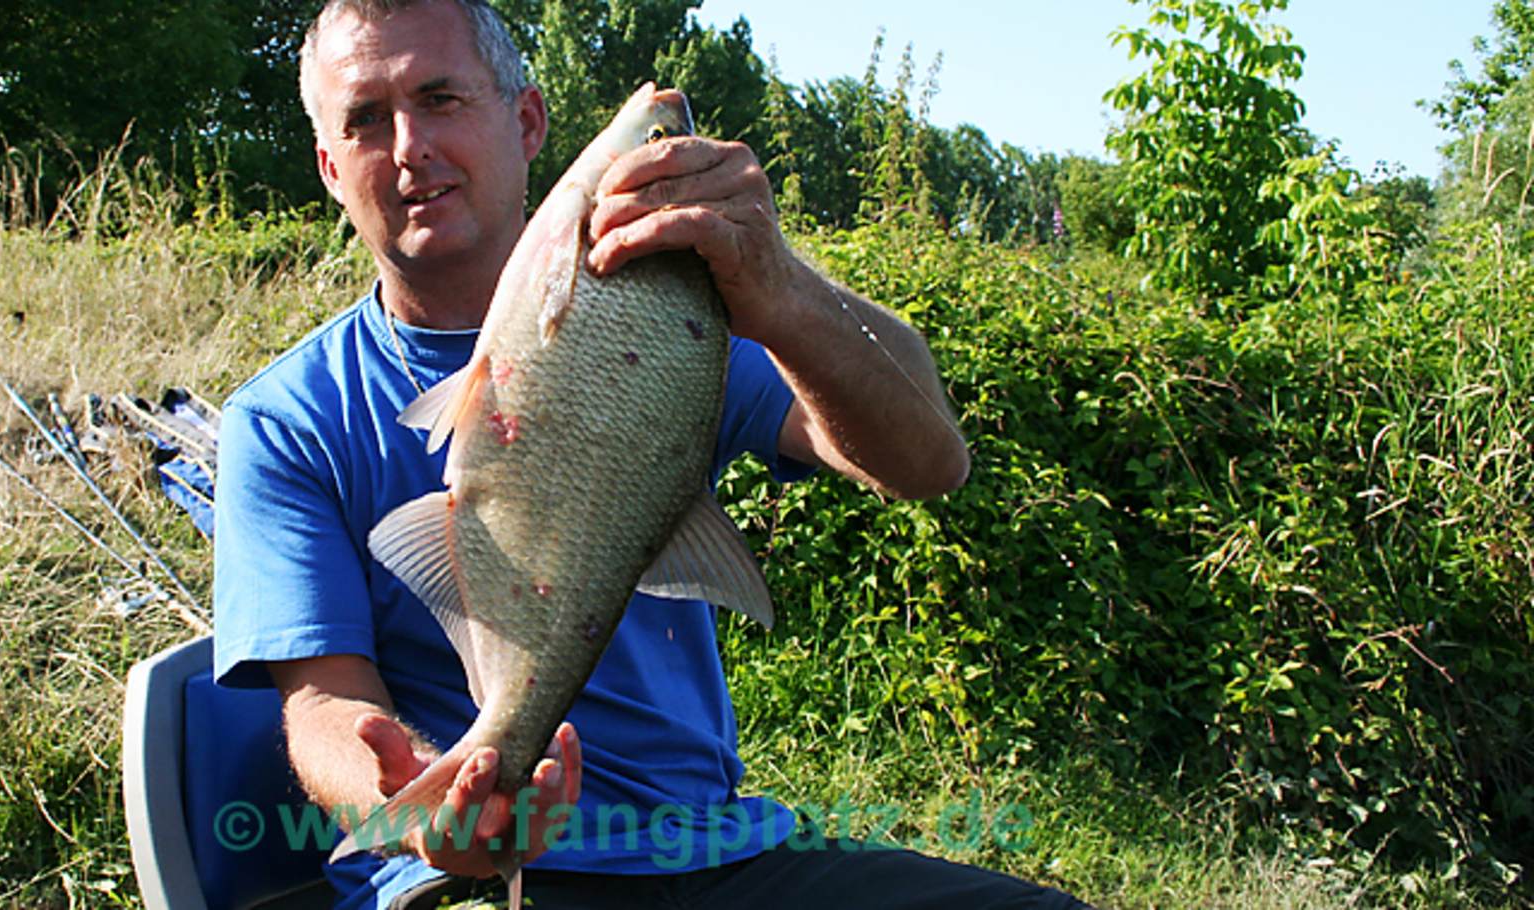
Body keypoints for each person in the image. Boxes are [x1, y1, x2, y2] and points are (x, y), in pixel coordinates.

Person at [212, 1, 1084, 907]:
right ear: (327, 167)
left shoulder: (664, 314)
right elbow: (317, 706)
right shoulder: (284, 419)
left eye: (440, 98)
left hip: (713, 856)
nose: (408, 147)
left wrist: (779, 288)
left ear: (528, 121)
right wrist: (427, 807)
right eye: (365, 119)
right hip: (447, 885)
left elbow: (930, 460)